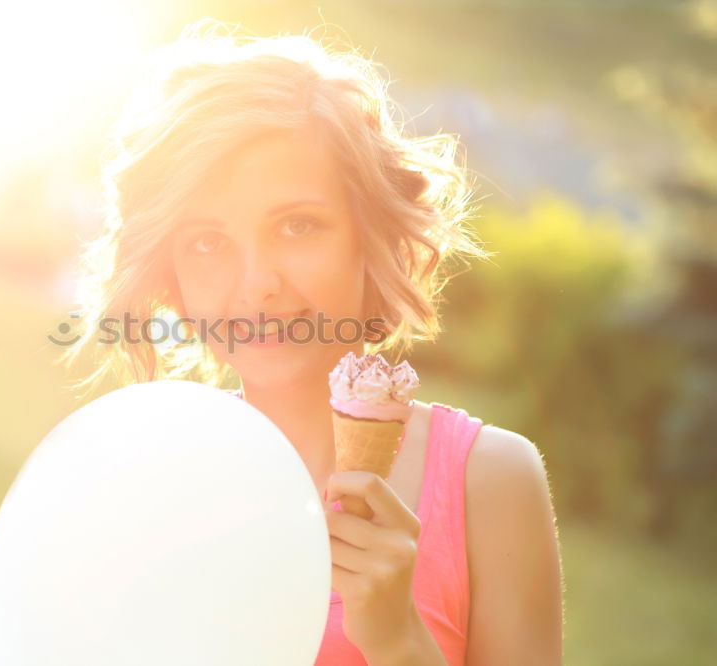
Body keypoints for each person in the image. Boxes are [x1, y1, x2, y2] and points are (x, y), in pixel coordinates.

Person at [61, 20, 563, 666]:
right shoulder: (144, 482)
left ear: (370, 233)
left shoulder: (490, 484)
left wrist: (400, 644)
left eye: (297, 226)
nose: (257, 285)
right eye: (208, 242)